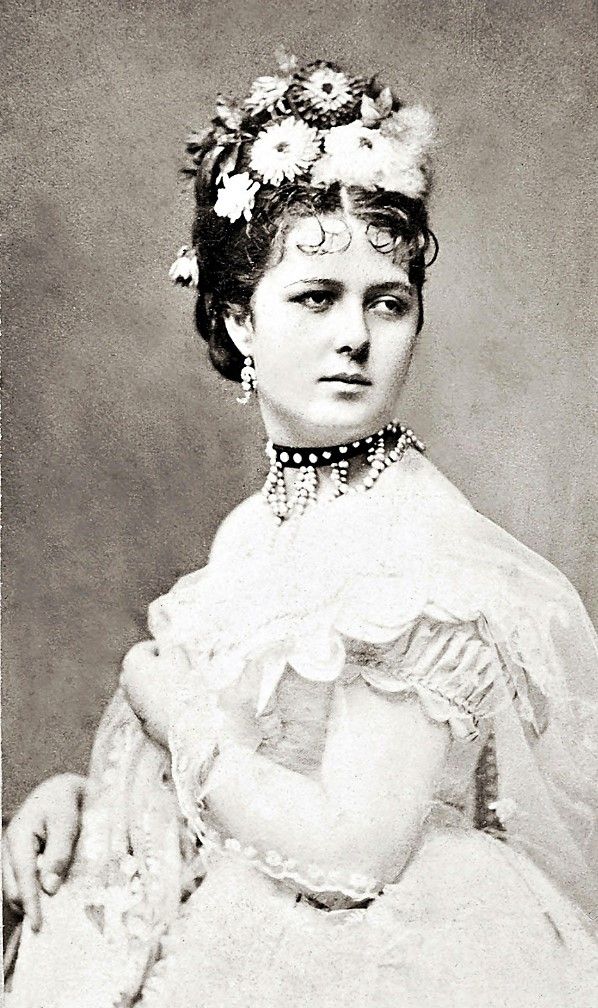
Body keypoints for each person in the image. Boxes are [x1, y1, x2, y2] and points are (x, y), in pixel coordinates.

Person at [3, 52, 598, 1007]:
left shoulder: (417, 551)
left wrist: (173, 713)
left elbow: (348, 854)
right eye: (317, 297)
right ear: (240, 321)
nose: (355, 336)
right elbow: (253, 763)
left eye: (387, 302)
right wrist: (92, 803)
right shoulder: (255, 528)